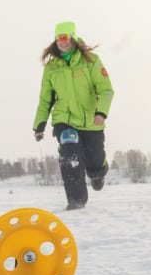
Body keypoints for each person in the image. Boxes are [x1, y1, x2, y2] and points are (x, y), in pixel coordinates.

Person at [33, 21, 114, 210]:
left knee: (94, 161)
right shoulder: (51, 68)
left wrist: (101, 112)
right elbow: (45, 100)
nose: (62, 42)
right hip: (65, 121)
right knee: (69, 155)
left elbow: (106, 90)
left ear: (73, 38)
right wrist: (39, 125)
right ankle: (76, 200)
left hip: (91, 121)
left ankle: (97, 173)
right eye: (58, 38)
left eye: (65, 38)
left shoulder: (91, 61)